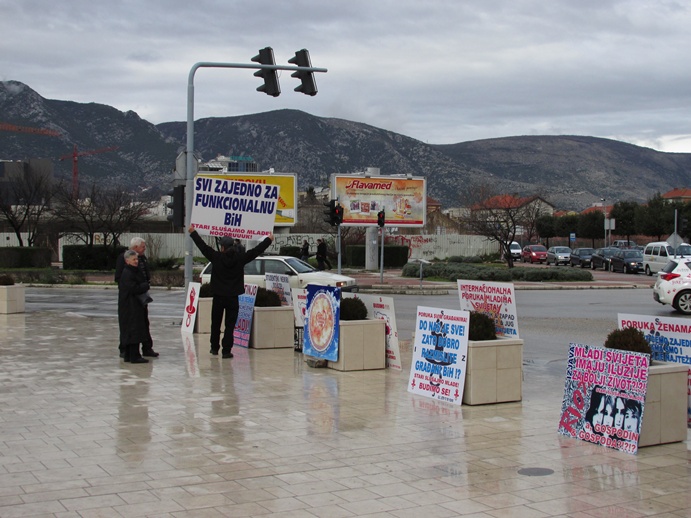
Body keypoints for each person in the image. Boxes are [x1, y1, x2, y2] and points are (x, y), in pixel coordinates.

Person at [188, 225, 273, 358]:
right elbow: (256, 251)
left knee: (215, 323)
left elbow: (202, 246)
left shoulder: (216, 257)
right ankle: (226, 351)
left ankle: (214, 348)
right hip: (233, 297)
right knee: (230, 325)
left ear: (222, 247)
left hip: (218, 296)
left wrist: (193, 232)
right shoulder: (240, 259)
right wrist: (269, 240)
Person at [115, 237, 158, 358]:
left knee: (143, 322)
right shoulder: (123, 259)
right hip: (131, 298)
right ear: (135, 247)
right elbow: (120, 278)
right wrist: (133, 288)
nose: (144, 249)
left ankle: (147, 347)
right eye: (143, 247)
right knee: (130, 324)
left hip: (141, 296)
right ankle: (126, 349)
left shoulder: (142, 258)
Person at [118, 250, 151, 364]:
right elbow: (133, 288)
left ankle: (129, 355)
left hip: (133, 305)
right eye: (134, 259)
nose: (136, 261)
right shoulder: (128, 272)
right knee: (133, 330)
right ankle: (134, 355)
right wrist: (145, 285)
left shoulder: (132, 271)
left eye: (137, 259)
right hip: (131, 306)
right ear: (127, 261)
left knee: (132, 330)